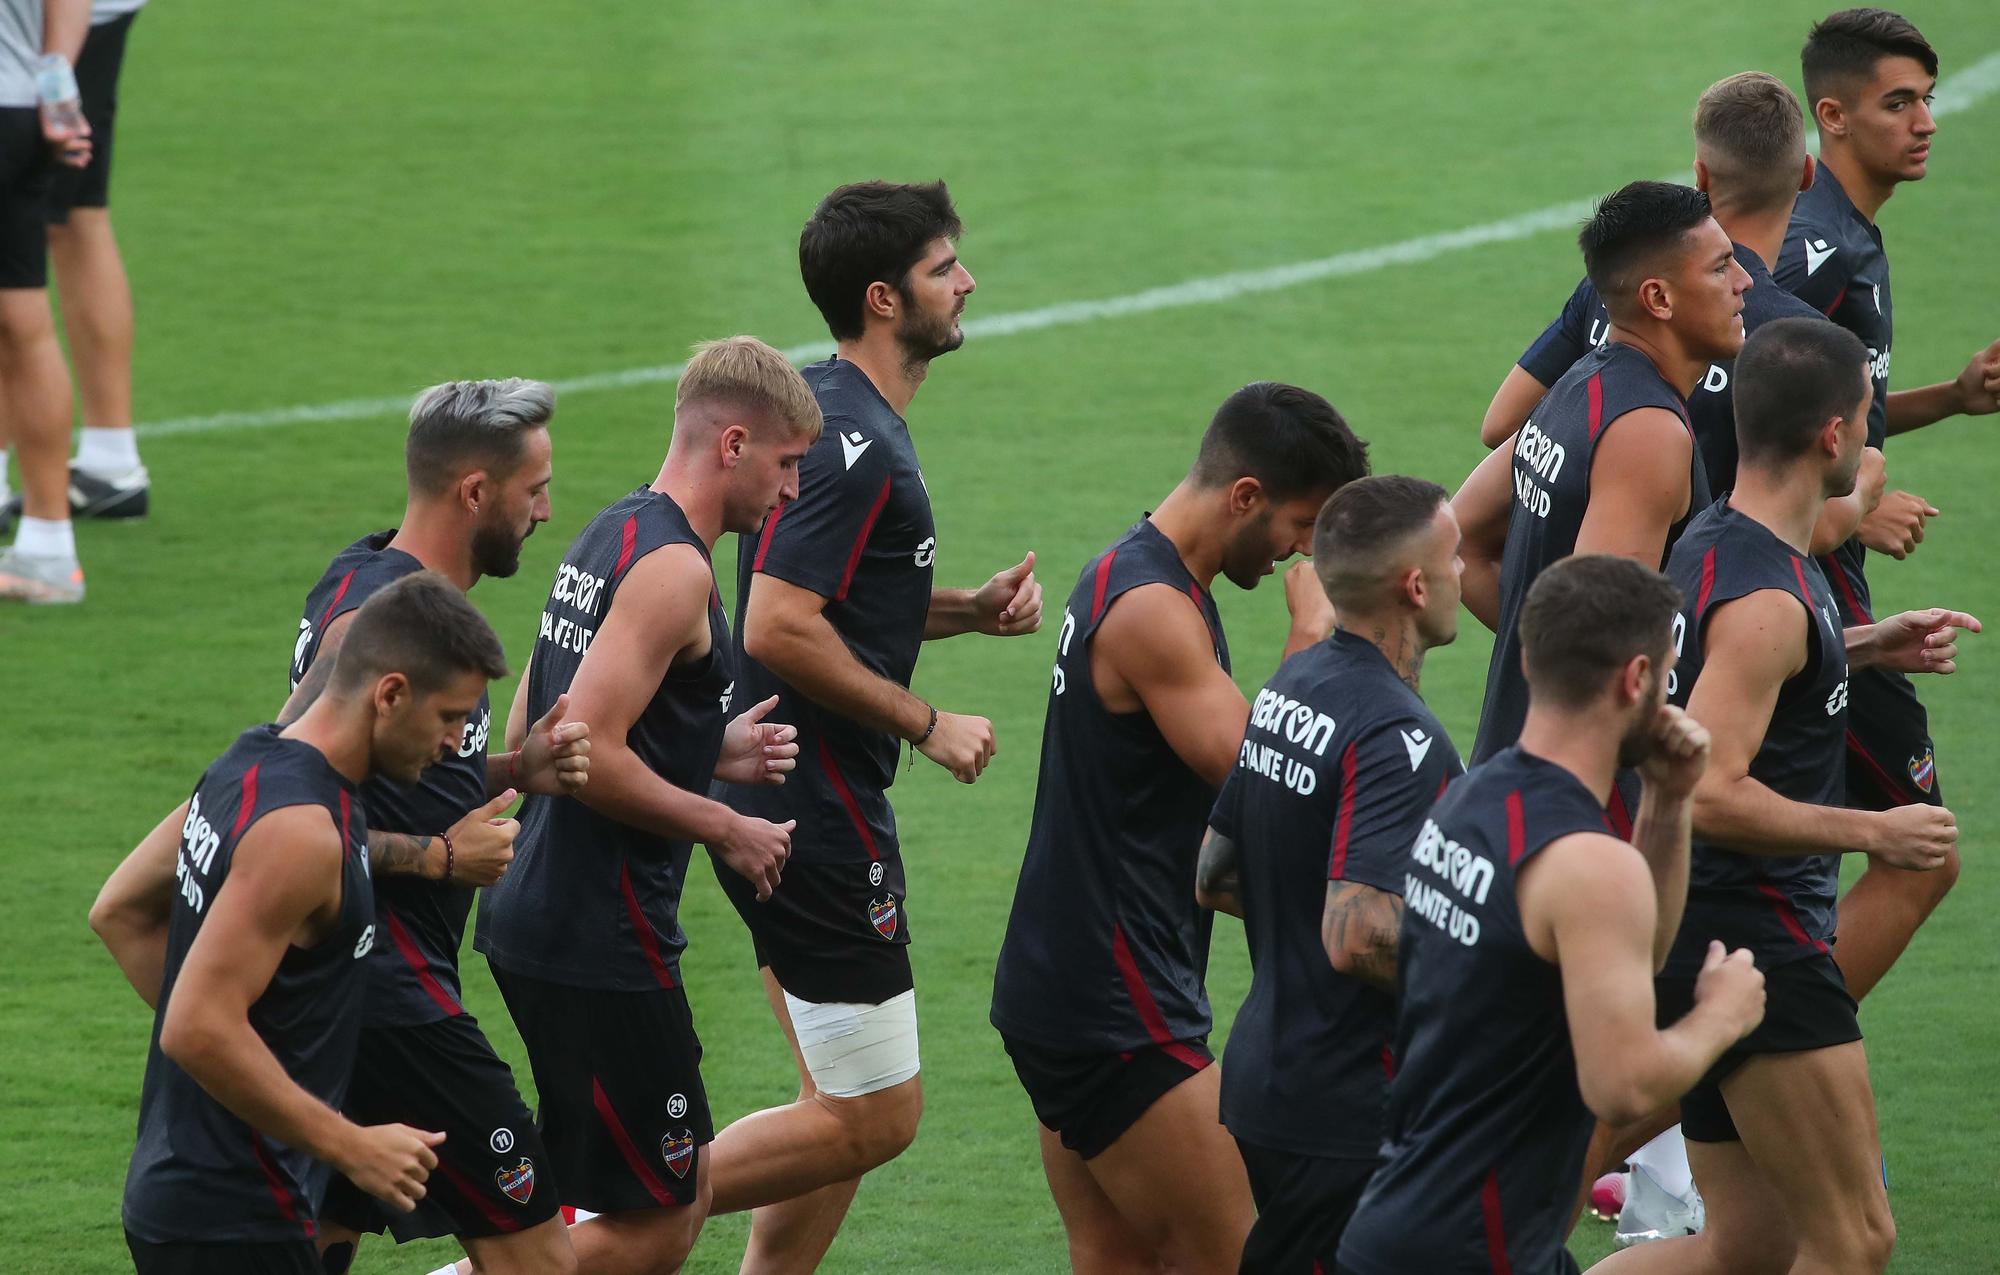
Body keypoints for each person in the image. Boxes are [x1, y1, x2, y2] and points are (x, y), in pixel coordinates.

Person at [702, 181, 1043, 1272]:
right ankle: (573, 1220)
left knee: (833, 1101)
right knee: (878, 1115)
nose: (967, 283)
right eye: (947, 269)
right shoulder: (856, 448)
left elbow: (837, 602)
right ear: (885, 297)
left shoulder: (828, 415)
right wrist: (927, 720)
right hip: (811, 807)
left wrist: (962, 614)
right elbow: (778, 623)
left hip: (773, 791)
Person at [1591, 320, 1973, 1275]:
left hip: (1705, 935)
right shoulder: (1769, 597)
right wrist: (1874, 826)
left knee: (1750, 1246)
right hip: (1761, 940)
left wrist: (1870, 640)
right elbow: (1710, 792)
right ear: (1833, 437)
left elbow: (1754, 665)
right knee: (1854, 1240)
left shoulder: (1720, 541)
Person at [991, 381, 1368, 1274]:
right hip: (1113, 1004)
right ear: (1245, 496)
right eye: (1300, 523)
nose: (1301, 552)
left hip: (1063, 983)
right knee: (1245, 1256)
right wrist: (1313, 636)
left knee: (1116, 1254)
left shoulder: (1135, 572)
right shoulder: (1153, 610)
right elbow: (1269, 779)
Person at [475, 336, 819, 1275]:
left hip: (537, 914)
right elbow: (585, 751)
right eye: (787, 465)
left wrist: (707, 751)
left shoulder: (609, 531)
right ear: (735, 444)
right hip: (599, 935)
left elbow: (537, 721)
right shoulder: (678, 572)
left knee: (619, 1190)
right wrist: (727, 823)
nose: (790, 493)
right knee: (668, 1214)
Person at [1336, 555, 1766, 1275]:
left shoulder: (1470, 799)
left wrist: (1666, 802)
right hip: (1472, 1249)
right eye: (1666, 678)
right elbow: (1622, 1085)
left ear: (1530, 656)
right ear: (1635, 680)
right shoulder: (1588, 861)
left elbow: (1638, 956)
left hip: (1411, 1216)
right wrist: (1722, 1016)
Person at [90, 572, 512, 1274]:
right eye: (450, 717)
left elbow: (119, 910)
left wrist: (258, 1063)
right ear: (391, 693)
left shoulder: (246, 763)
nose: (455, 743)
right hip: (236, 1218)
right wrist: (351, 1143)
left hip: (190, 1187)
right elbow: (195, 1023)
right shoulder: (303, 834)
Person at [279, 380, 588, 1275]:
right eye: (533, 489)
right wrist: (446, 856)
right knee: (539, 1256)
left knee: (323, 1238)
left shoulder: (372, 577)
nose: (545, 510)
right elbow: (281, 806)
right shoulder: (373, 618)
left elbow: (384, 772)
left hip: (359, 983)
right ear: (474, 493)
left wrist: (509, 771)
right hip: (389, 993)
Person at [1775, 6, 2000, 1002]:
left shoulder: (1848, 236)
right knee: (1919, 852)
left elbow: (1831, 415)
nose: (1924, 122)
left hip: (1813, 579)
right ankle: (1747, 1071)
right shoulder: (1810, 253)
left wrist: (1947, 400)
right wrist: (1851, 510)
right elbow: (1728, 412)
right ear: (1831, 114)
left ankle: (1708, 1101)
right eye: (1896, 102)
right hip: (1805, 587)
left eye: (1927, 101)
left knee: (1781, 870)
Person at [1194, 475, 1464, 1273]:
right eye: (1453, 558)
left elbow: (1214, 871)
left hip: (1268, 1073)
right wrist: (1484, 968)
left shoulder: (1293, 684)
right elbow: (1358, 934)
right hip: (1348, 1102)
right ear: (1415, 586)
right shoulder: (1396, 731)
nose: (1463, 571)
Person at [1476, 72, 1884, 548]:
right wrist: (1864, 494)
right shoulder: (1801, 341)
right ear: (1808, 175)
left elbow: (1503, 426)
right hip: (1699, 602)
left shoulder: (1614, 291)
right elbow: (1801, 524)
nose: (1741, 284)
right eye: (1720, 270)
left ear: (1701, 177)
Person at [1456, 182, 1748, 788]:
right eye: (1721, 266)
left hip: (1508, 766)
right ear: (1659, 298)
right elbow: (1600, 642)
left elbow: (1459, 540)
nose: (1745, 281)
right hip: (1574, 797)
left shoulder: (1575, 386)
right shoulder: (1648, 433)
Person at [0, 0, 91, 602]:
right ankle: (48, 550)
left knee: (22, 325)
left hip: (13, 109)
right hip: (17, 109)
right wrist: (58, 98)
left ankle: (49, 551)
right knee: (19, 323)